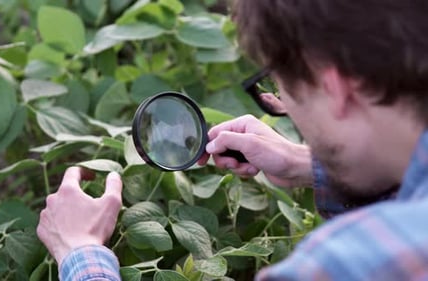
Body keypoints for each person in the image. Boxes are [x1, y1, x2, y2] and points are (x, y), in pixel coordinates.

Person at [37, 0, 428, 280]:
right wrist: (307, 165)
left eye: (278, 89)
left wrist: (80, 252)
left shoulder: (342, 265)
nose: (283, 109)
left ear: (334, 88)